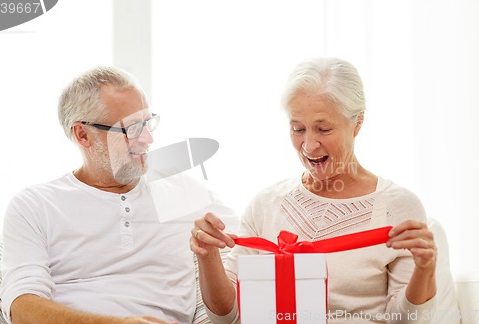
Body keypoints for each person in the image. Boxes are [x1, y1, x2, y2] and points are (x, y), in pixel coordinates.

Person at [190, 57, 457, 323]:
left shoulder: (398, 206)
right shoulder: (266, 204)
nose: (308, 145)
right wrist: (208, 256)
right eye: (298, 129)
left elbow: (406, 321)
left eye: (323, 129)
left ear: (358, 123)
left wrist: (425, 270)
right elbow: (227, 318)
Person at [0, 67, 199, 324]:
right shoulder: (34, 205)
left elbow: (247, 252)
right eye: (131, 128)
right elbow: (21, 307)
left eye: (147, 123)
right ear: (83, 135)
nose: (148, 139)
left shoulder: (181, 193)